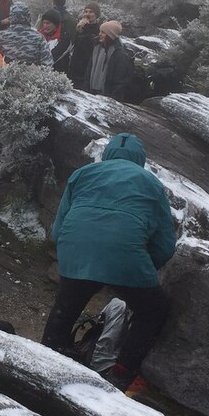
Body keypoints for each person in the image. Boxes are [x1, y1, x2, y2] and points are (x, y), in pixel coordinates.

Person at [41, 133, 177, 394]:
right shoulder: (151, 183)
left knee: (66, 305)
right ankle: (121, 373)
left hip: (76, 250)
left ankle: (48, 353)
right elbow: (164, 244)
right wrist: (143, 269)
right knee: (153, 310)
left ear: (107, 155)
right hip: (125, 255)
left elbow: (58, 231)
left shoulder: (82, 174)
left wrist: (74, 256)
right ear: (140, 159)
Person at [0, 3, 53, 67]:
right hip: (33, 76)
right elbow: (48, 64)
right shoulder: (38, 37)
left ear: (11, 17)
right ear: (28, 17)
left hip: (5, 76)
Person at [86, 20, 133, 101]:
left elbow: (119, 81)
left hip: (106, 97)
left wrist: (112, 98)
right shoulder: (97, 47)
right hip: (91, 93)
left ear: (110, 35)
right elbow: (88, 71)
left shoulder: (119, 53)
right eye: (100, 31)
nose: (99, 34)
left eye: (103, 32)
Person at [69, 2, 102, 90]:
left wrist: (85, 29)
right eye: (86, 11)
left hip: (88, 67)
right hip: (75, 65)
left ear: (96, 14)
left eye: (91, 12)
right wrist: (77, 31)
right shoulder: (80, 27)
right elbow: (73, 44)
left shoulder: (99, 29)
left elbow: (91, 44)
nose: (87, 14)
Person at [40, 9, 73, 74]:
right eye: (44, 23)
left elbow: (54, 56)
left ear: (55, 24)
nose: (45, 26)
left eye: (48, 23)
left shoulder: (64, 38)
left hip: (57, 74)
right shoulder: (39, 36)